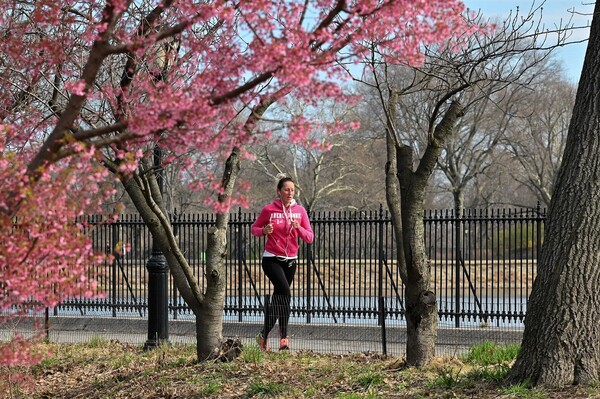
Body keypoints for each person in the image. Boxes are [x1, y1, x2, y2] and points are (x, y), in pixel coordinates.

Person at [251, 174, 313, 351]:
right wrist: (264, 230)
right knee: (285, 292)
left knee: (280, 298)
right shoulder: (269, 210)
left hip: (291, 260)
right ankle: (279, 337)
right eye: (286, 189)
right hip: (272, 258)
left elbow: (310, 237)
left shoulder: (300, 211)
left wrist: (298, 228)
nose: (290, 193)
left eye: (292, 190)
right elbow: (253, 229)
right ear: (279, 191)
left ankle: (270, 338)